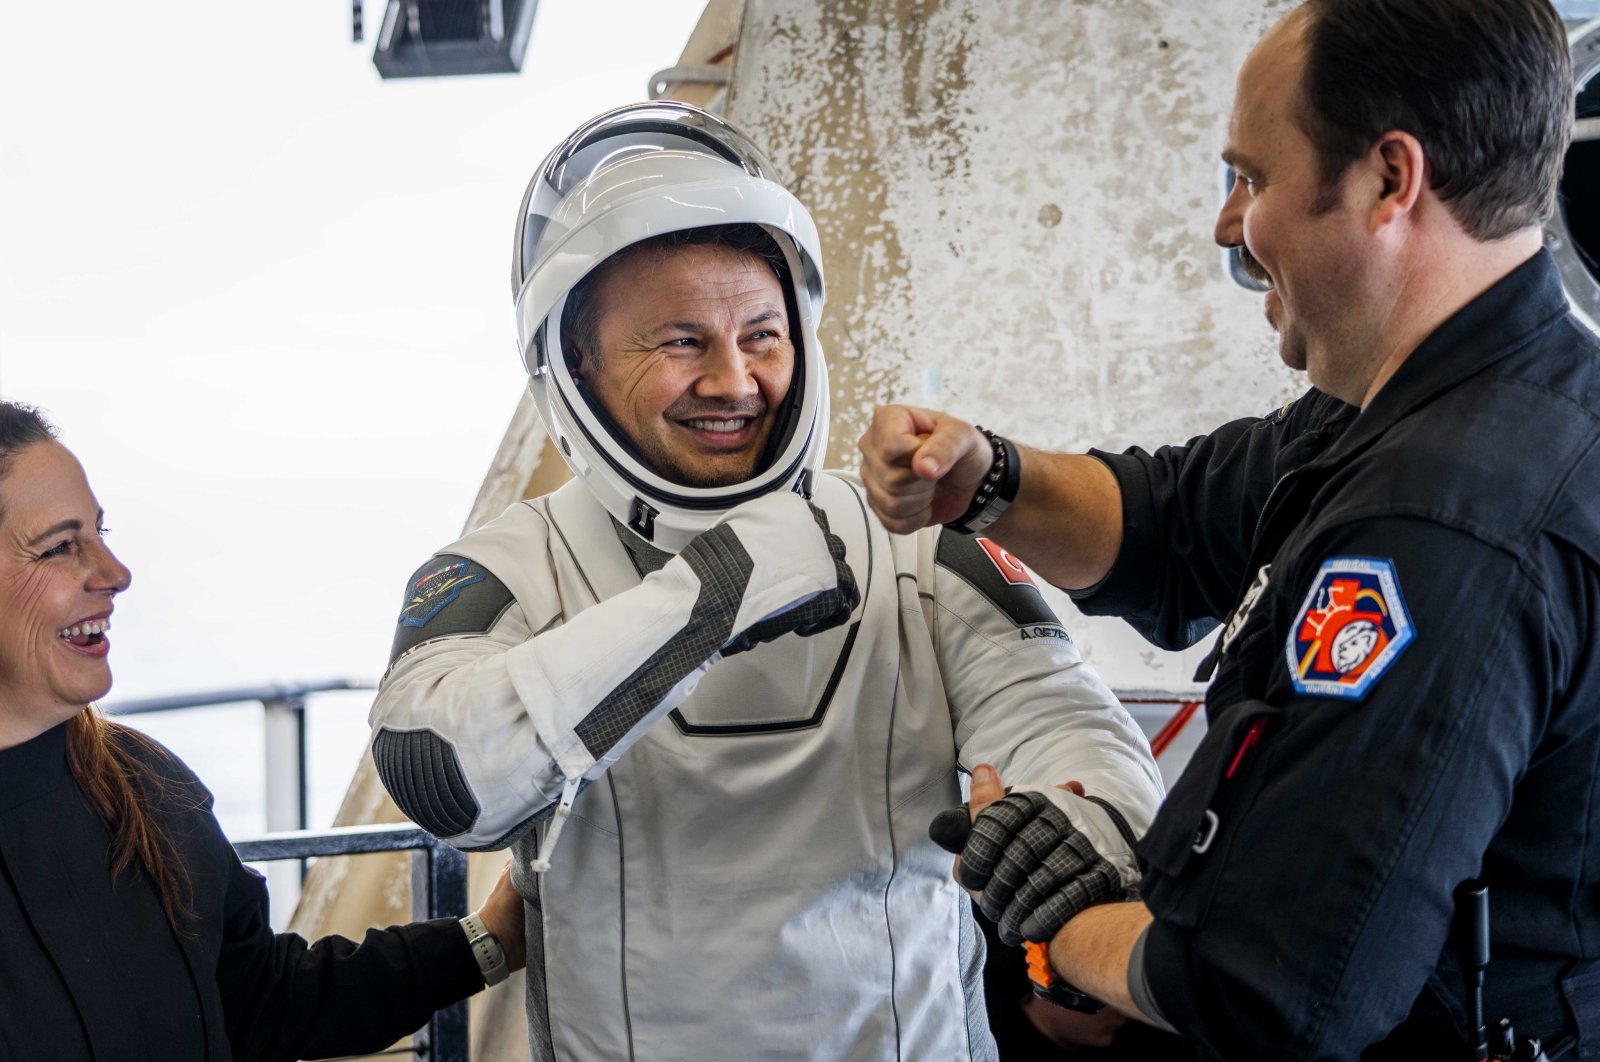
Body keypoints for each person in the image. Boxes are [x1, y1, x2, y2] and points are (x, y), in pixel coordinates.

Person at [858, 0, 1596, 1058]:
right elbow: (1169, 522)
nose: (1224, 225)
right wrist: (985, 477)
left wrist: (1066, 919)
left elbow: (1272, 986)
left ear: (1389, 180)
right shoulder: (1441, 408)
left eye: (1250, 176)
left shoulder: (1440, 529)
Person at [367, 101, 1164, 1062]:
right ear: (574, 362)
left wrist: (1077, 823)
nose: (733, 381)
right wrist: (726, 586)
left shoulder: (914, 538)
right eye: (678, 342)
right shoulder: (505, 567)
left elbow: (1065, 723)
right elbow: (437, 770)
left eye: (762, 335)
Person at [0, 401, 527, 1061]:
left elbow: (263, 999)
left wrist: (489, 940)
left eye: (102, 534)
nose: (114, 574)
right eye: (58, 547)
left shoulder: (141, 781)